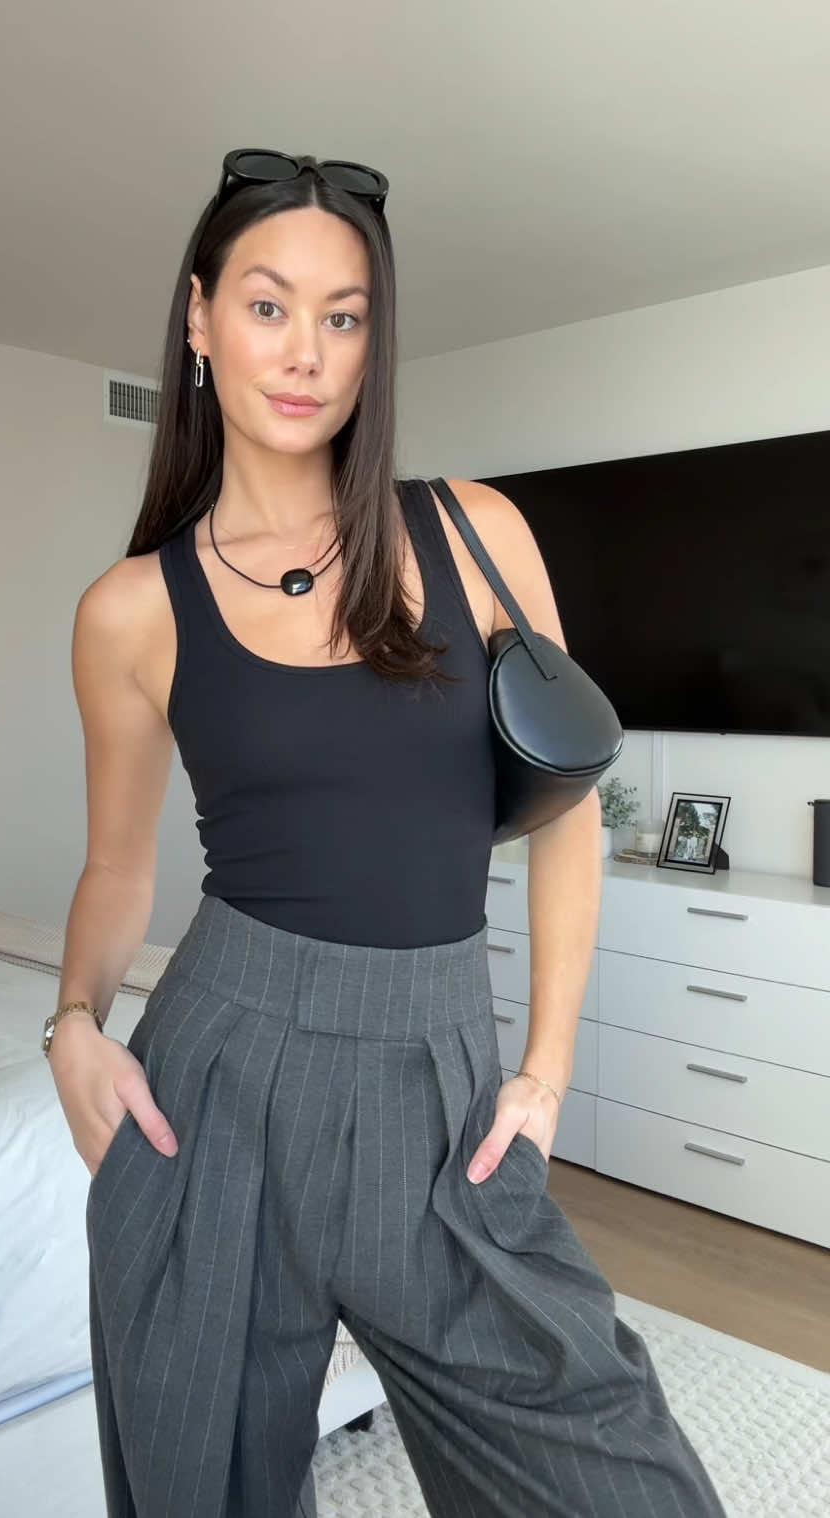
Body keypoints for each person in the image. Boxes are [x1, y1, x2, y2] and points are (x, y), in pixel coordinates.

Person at [45, 150, 728, 1518]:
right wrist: (72, 1025)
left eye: (344, 315)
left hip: (440, 1078)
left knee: (617, 1473)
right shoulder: (131, 610)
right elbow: (118, 864)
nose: (306, 351)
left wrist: (544, 1072)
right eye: (268, 305)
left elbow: (570, 813)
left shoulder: (475, 535)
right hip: (219, 1079)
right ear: (199, 318)